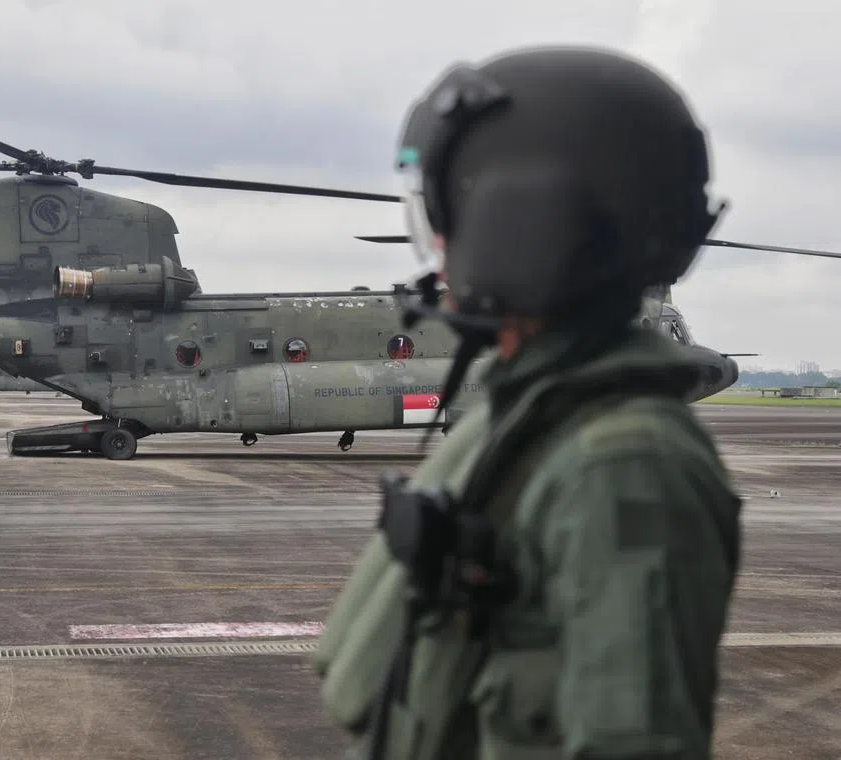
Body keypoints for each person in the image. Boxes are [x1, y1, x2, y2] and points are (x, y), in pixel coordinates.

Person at [312, 46, 743, 760]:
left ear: (520, 218)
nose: (438, 249)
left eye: (451, 213)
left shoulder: (621, 463)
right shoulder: (527, 417)